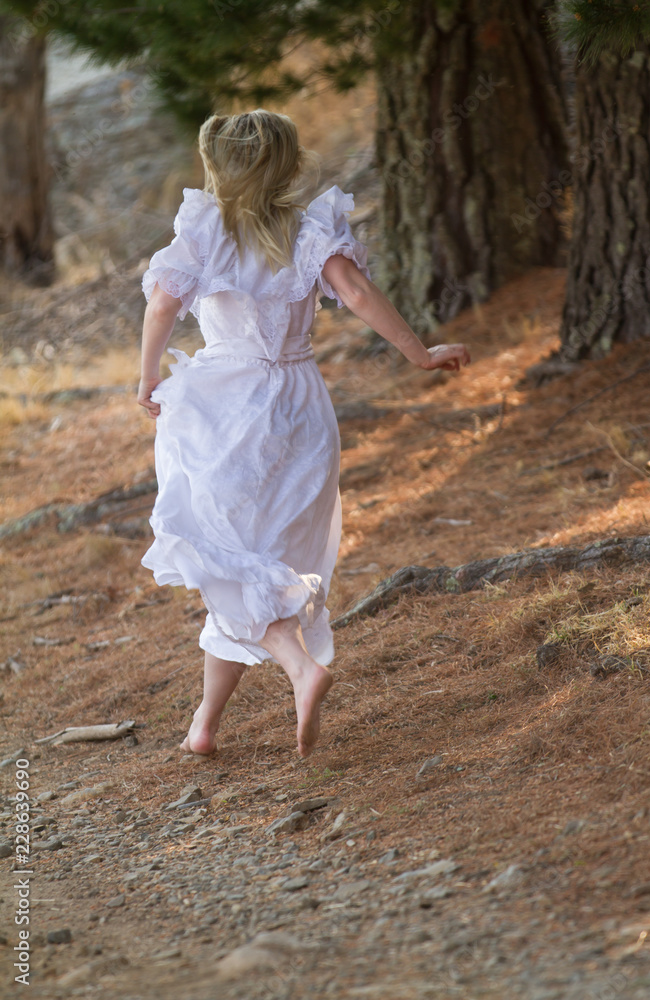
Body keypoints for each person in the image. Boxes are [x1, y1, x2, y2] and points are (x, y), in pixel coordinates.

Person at [137, 110, 470, 759]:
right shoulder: (311, 228)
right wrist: (419, 353)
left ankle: (296, 664)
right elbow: (358, 292)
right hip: (299, 404)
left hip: (225, 403)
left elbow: (161, 304)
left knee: (216, 548)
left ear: (217, 166)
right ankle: (203, 727)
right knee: (248, 560)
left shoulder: (205, 229)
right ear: (287, 165)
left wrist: (147, 377)